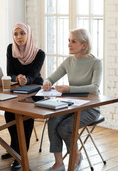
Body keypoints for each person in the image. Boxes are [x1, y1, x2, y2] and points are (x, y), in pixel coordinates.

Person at [42, 28, 102, 171]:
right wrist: (47, 82)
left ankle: (75, 155)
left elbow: (94, 88)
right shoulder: (69, 61)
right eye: (69, 41)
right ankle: (59, 163)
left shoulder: (96, 63)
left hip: (90, 108)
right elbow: (51, 77)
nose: (69, 44)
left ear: (84, 45)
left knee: (65, 127)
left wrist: (69, 89)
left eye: (73, 41)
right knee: (53, 120)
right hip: (71, 105)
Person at [2, 23, 45, 170]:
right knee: (9, 114)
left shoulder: (39, 53)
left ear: (28, 34)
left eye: (22, 33)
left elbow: (34, 74)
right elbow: (10, 72)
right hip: (18, 88)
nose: (19, 37)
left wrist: (26, 79)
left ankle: (21, 156)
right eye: (16, 34)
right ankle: (14, 149)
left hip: (34, 89)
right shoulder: (11, 49)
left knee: (25, 117)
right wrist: (17, 77)